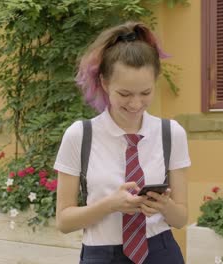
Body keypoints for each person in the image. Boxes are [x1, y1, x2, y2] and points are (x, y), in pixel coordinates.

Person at [54, 21, 191, 264]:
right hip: (101, 254)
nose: (136, 104)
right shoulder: (79, 135)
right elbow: (64, 221)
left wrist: (163, 205)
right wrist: (110, 205)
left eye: (145, 93)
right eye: (125, 94)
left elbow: (180, 219)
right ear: (105, 84)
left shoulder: (172, 133)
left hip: (161, 251)